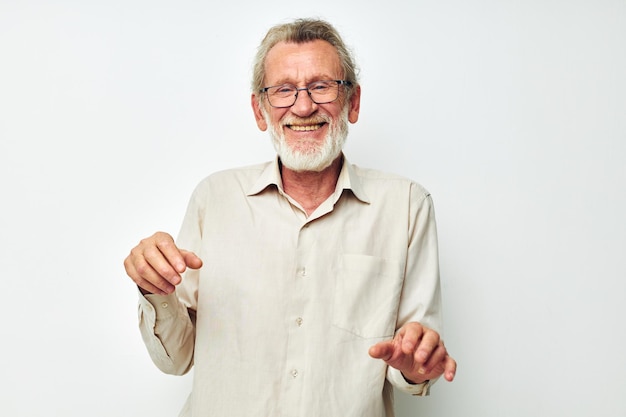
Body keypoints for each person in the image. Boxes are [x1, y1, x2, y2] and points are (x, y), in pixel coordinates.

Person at [124, 18, 456, 417]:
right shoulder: (214, 198)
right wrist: (155, 291)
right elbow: (175, 360)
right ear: (260, 110)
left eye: (321, 86)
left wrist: (417, 367)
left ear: (353, 102)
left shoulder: (407, 205)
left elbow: (417, 358)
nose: (303, 106)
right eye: (283, 90)